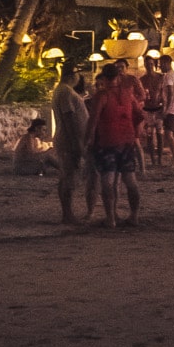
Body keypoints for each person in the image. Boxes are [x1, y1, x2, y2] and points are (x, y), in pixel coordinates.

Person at [87, 62, 142, 228]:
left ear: (104, 78)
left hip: (107, 141)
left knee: (108, 181)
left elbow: (93, 121)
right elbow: (139, 114)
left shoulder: (102, 96)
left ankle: (110, 218)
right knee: (130, 180)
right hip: (127, 141)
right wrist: (134, 131)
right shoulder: (128, 94)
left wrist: (89, 140)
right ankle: (134, 216)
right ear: (118, 76)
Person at [50, 62, 95, 224]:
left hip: (68, 140)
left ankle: (67, 213)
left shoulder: (63, 91)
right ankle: (67, 214)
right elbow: (69, 118)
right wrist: (77, 143)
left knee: (67, 175)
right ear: (72, 75)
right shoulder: (66, 92)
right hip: (69, 141)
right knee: (69, 176)